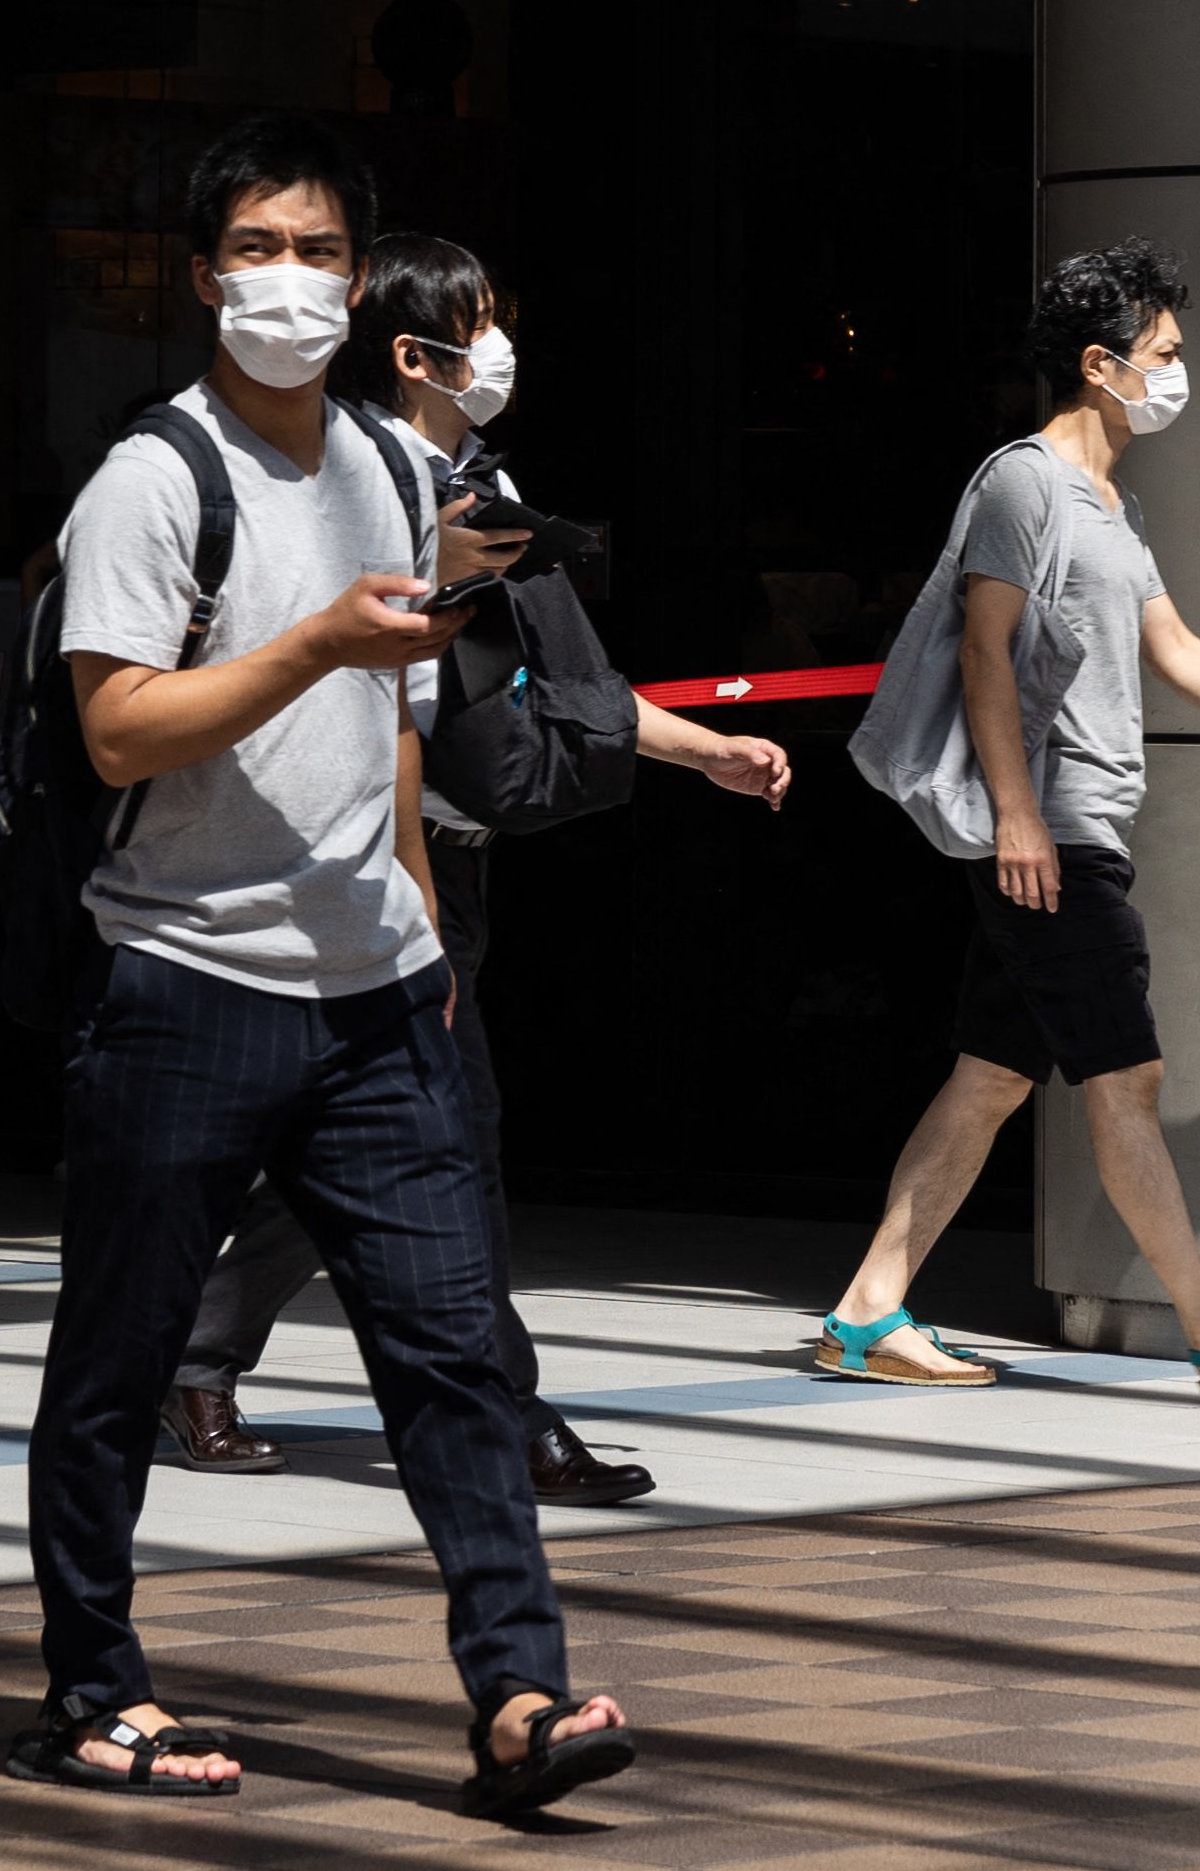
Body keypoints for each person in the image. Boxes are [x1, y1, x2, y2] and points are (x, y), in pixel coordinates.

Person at [13, 117, 632, 1816]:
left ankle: (519, 1692)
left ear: (358, 285)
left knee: (447, 1353)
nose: (283, 276)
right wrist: (307, 641)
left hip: (374, 996)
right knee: (118, 1358)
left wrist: (420, 927)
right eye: (253, 247)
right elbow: (120, 729)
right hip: (182, 985)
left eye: (312, 249)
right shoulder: (152, 478)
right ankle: (89, 1689)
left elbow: (396, 730)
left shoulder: (384, 463)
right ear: (204, 273)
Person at [160, 235, 792, 1508]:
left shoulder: (477, 490)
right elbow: (342, 683)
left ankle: (190, 1357)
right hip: (374, 869)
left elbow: (569, 692)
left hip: (448, 866)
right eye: (483, 324)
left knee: (356, 1141)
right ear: (416, 353)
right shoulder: (347, 492)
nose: (502, 348)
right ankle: (502, 1411)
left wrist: (702, 750)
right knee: (451, 1145)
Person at [813, 240, 1200, 1400]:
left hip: (1069, 830)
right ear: (1098, 363)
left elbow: (1172, 647)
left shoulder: (1109, 505)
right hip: (1051, 837)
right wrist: (1018, 819)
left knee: (990, 1080)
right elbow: (984, 649)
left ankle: (866, 1313)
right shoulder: (1023, 482)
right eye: (1162, 354)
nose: (1178, 373)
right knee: (1124, 1079)